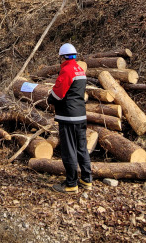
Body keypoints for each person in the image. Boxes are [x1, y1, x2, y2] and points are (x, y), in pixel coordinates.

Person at [46, 43, 92, 193]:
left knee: (69, 150)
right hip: (81, 115)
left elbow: (58, 94)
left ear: (62, 56)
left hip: (68, 116)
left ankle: (71, 183)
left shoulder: (67, 70)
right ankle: (86, 180)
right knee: (81, 148)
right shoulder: (80, 70)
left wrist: (49, 99)